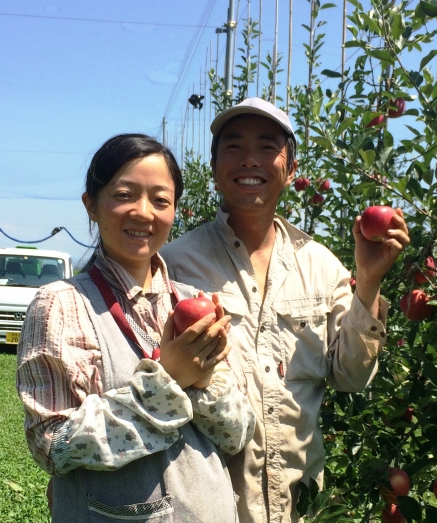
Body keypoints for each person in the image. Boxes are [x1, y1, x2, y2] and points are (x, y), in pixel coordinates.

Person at [161, 98, 410, 523]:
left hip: (301, 502)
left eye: (267, 146)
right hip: (208, 503)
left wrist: (367, 283)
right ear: (215, 168)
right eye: (234, 147)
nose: (250, 160)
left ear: (291, 169)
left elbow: (350, 377)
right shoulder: (175, 265)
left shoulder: (321, 265)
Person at [16, 133, 256, 522]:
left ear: (175, 210)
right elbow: (53, 444)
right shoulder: (61, 305)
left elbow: (239, 432)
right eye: (124, 194)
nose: (144, 212)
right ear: (90, 205)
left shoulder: (196, 302)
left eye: (161, 200)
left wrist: (202, 383)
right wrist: (169, 381)